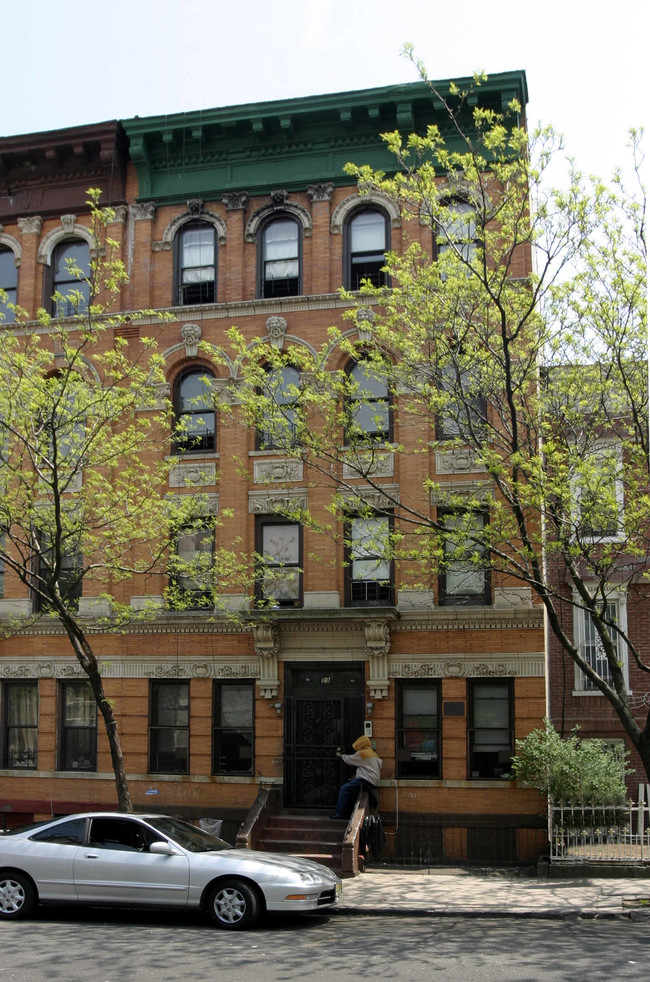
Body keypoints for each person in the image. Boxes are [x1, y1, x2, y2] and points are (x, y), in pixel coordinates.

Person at [330, 735, 382, 820]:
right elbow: (366, 767)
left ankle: (341, 813)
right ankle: (348, 811)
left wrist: (341, 755)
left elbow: (350, 760)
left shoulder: (363, 753)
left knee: (345, 789)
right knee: (352, 792)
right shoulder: (373, 753)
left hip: (365, 780)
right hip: (372, 781)